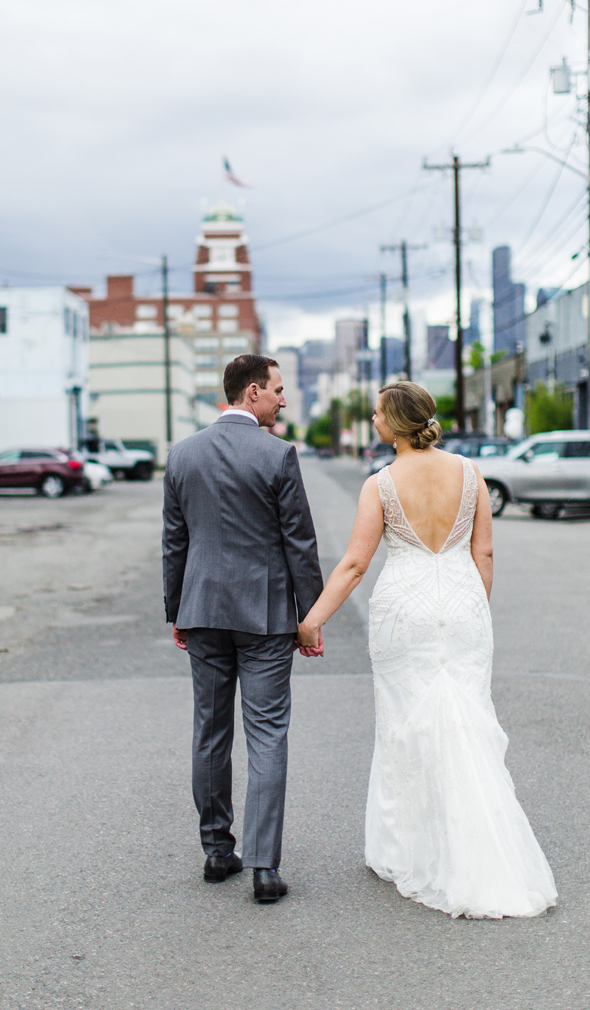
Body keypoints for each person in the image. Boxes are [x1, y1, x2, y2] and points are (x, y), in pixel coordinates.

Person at [295, 381, 557, 919]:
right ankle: (480, 847)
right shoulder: (471, 473)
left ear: (395, 423)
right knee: (467, 721)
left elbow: (354, 565)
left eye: (376, 415)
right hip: (463, 608)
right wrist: (473, 610)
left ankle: (410, 849)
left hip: (404, 613)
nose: (372, 421)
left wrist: (312, 621)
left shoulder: (382, 484)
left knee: (405, 727)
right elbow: (484, 552)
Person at [163, 354, 324, 905]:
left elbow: (175, 542)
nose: (284, 399)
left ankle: (215, 851)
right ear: (252, 392)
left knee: (210, 731)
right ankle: (262, 867)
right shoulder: (278, 455)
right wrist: (311, 617)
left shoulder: (182, 455)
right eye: (278, 390)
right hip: (265, 617)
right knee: (267, 735)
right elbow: (299, 542)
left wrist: (177, 611)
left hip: (203, 611)